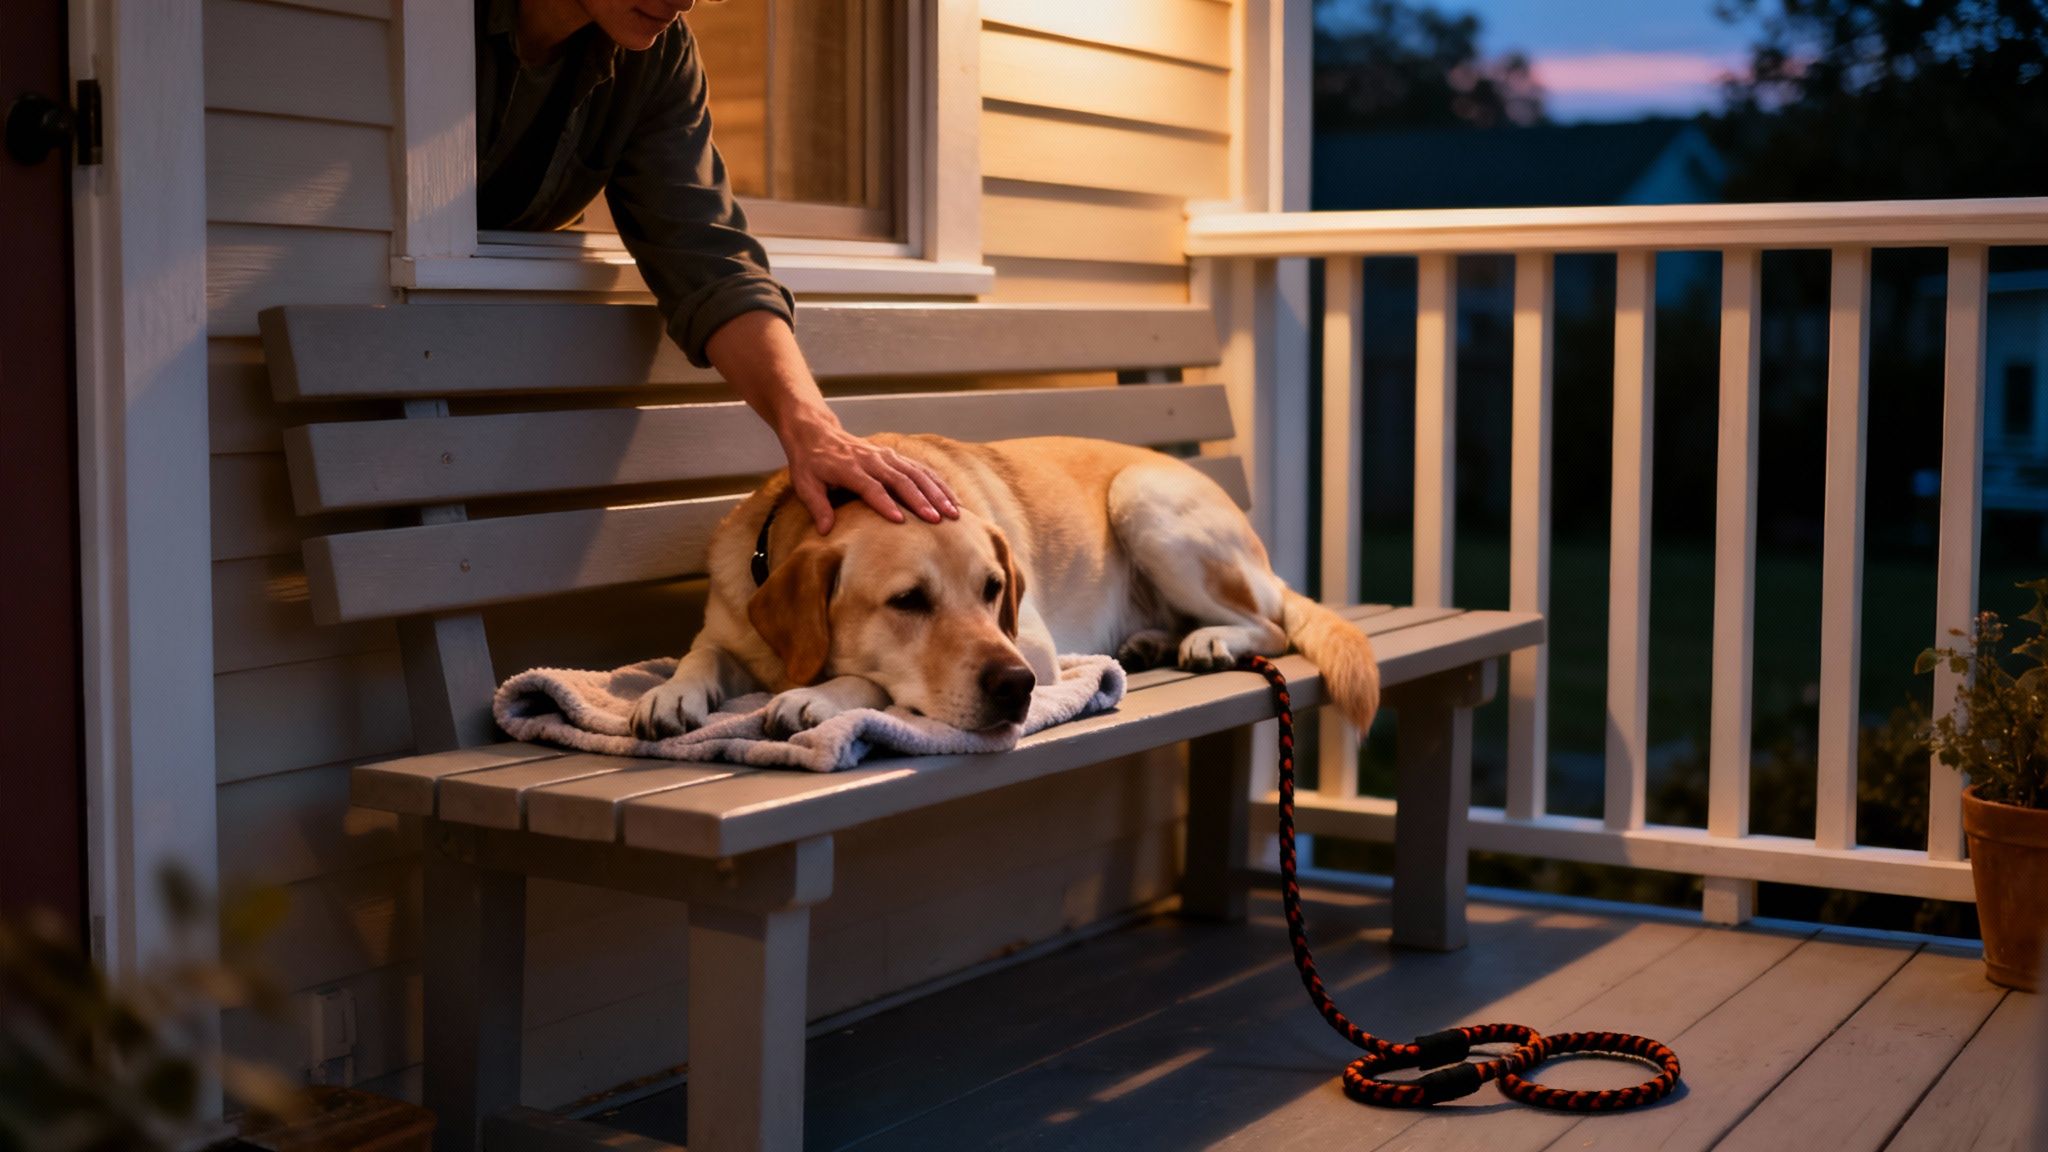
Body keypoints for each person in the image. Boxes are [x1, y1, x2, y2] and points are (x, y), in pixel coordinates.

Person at [476, 0, 958, 534]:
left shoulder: (657, 56)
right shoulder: (433, 24)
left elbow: (710, 260)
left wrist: (815, 429)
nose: (687, 0)